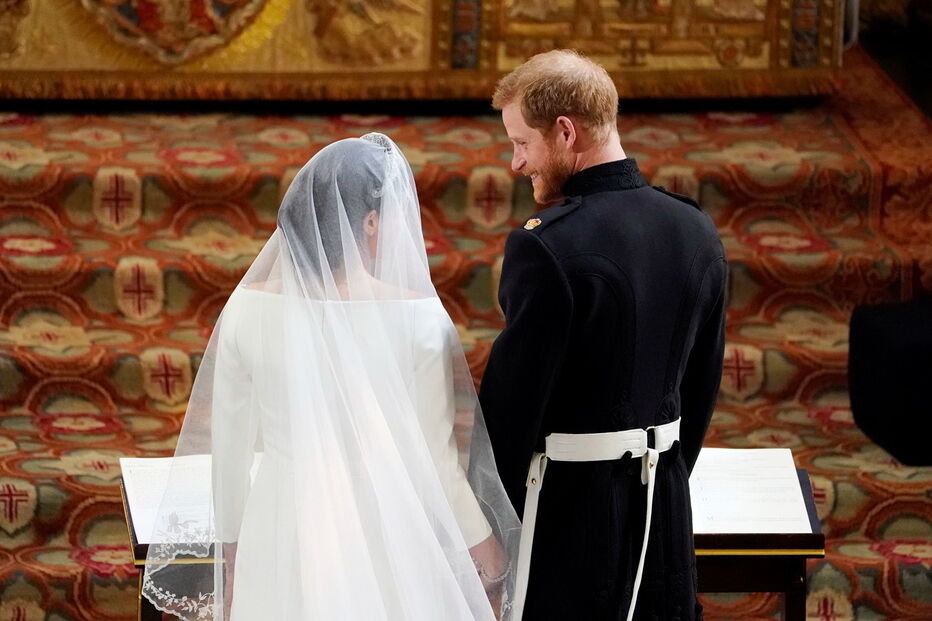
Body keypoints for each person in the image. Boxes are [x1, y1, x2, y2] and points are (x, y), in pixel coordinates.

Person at [142, 134, 520, 620]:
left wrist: (233, 556)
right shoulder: (422, 320)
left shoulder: (245, 311)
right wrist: (483, 544)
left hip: (280, 524)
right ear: (369, 221)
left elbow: (229, 454)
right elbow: (435, 462)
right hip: (382, 524)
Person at [479, 50, 727, 621]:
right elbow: (701, 388)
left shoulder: (546, 245)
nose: (516, 164)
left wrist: (493, 540)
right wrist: (662, 478)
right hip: (665, 507)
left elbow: (511, 414)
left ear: (565, 132)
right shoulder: (695, 228)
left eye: (522, 143)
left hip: (570, 520)